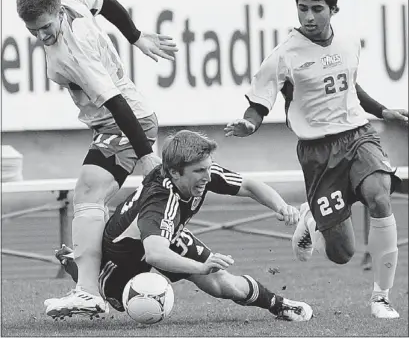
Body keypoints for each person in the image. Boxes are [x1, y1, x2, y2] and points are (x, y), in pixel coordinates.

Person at [224, 0, 408, 319]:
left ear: (333, 9)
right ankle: (312, 220)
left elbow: (350, 89)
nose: (309, 17)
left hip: (358, 136)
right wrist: (249, 123)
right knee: (341, 253)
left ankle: (381, 297)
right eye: (302, 8)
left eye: (317, 9)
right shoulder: (284, 55)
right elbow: (260, 103)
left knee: (380, 194)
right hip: (318, 154)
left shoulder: (349, 43)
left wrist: (383, 111)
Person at [16, 0, 178, 319]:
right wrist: (136, 37)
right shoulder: (73, 1)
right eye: (34, 32)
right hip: (112, 124)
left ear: (58, 13)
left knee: (89, 190)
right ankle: (96, 275)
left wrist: (146, 153)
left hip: (126, 122)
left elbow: (117, 103)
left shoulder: (71, 55)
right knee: (89, 196)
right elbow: (106, 0)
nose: (43, 37)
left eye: (46, 28)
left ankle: (89, 288)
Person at [46, 130, 313, 322]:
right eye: (199, 171)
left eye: (208, 168)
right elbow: (155, 254)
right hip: (122, 261)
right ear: (174, 173)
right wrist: (200, 267)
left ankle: (279, 305)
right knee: (117, 301)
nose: (207, 177)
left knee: (222, 286)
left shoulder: (199, 173)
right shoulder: (160, 203)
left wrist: (281, 206)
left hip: (167, 237)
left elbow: (247, 185)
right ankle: (82, 267)